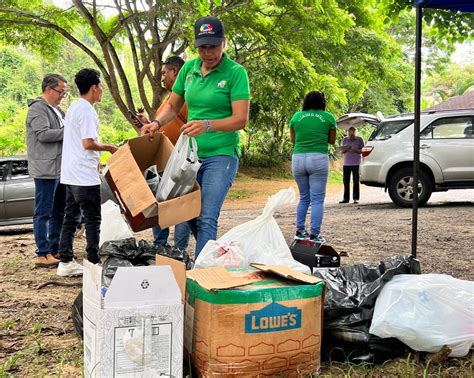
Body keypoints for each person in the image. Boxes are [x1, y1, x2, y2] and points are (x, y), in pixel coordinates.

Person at [141, 16, 250, 258]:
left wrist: (208, 125)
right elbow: (172, 104)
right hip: (189, 156)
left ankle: (202, 276)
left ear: (224, 42)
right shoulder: (188, 69)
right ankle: (208, 258)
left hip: (221, 155)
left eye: (213, 46)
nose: (208, 52)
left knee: (207, 216)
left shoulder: (235, 73)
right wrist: (156, 123)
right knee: (184, 211)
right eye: (202, 47)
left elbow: (241, 119)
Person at [56, 68, 118, 277]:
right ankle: (93, 261)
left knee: (70, 218)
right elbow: (88, 143)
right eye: (100, 86)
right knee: (92, 219)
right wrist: (110, 148)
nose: (101, 90)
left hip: (70, 173)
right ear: (93, 88)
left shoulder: (74, 107)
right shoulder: (88, 110)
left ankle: (65, 260)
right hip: (83, 175)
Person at [136, 56, 192, 250]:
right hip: (163, 164)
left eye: (164, 73)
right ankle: (160, 246)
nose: (162, 78)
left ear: (175, 72)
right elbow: (165, 126)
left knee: (180, 207)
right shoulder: (168, 102)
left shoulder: (186, 99)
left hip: (179, 163)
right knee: (160, 205)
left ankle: (179, 250)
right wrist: (148, 124)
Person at [26, 74, 68, 268]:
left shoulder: (57, 110)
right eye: (61, 92)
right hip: (45, 169)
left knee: (58, 211)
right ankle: (42, 253)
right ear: (49, 90)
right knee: (43, 212)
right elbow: (43, 135)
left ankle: (54, 248)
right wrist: (69, 132)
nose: (62, 96)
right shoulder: (37, 109)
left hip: (59, 169)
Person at [289, 91, 336, 243]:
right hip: (318, 159)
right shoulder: (328, 117)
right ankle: (314, 235)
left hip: (298, 158)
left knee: (304, 198)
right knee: (317, 200)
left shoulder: (296, 117)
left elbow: (293, 139)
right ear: (322, 102)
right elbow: (331, 141)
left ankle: (299, 231)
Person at [340, 126, 364, 204]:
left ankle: (356, 198)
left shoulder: (359, 139)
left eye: (353, 132)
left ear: (355, 132)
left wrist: (355, 150)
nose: (351, 134)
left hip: (356, 163)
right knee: (345, 181)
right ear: (348, 133)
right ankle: (346, 198)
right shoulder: (345, 140)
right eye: (350, 133)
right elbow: (341, 151)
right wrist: (345, 149)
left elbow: (363, 150)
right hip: (346, 163)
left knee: (356, 181)